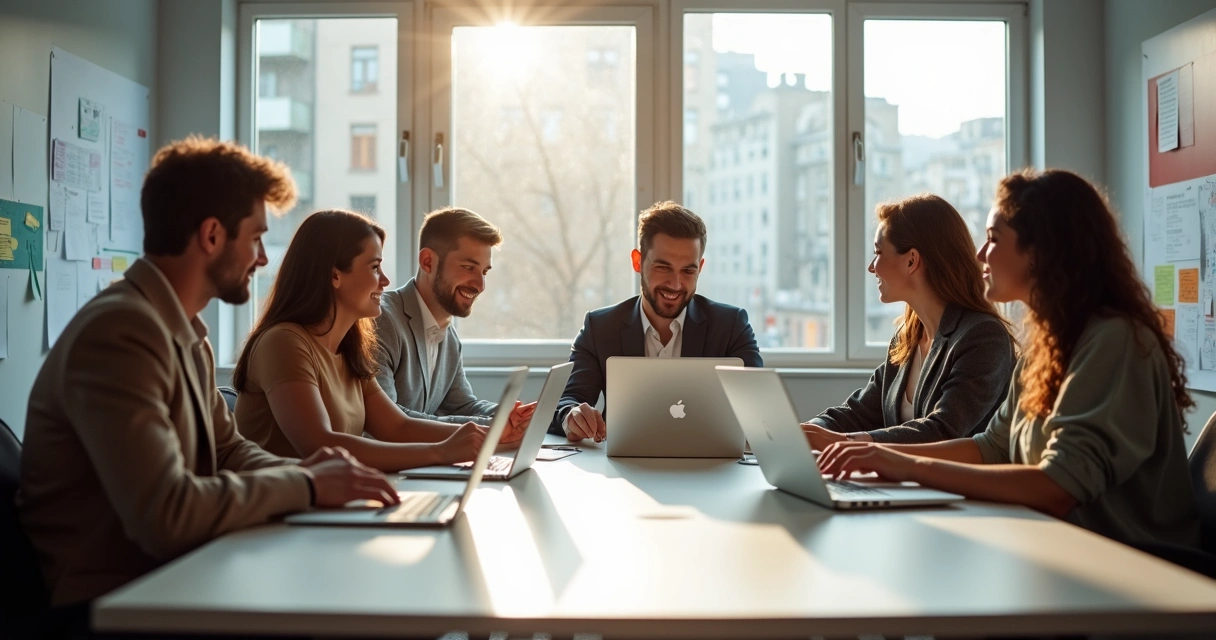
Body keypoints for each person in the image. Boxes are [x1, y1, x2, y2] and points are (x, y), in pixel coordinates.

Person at [17, 137, 398, 609]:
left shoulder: (182, 330)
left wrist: (320, 476)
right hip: (118, 604)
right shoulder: (120, 334)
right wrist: (308, 485)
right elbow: (166, 513)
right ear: (212, 235)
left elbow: (228, 449)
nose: (262, 259)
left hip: (180, 575)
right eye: (256, 238)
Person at [819, 169, 1201, 549]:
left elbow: (1058, 486)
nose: (981, 254)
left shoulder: (1114, 341)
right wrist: (875, 455)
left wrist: (900, 463)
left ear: (1038, 252)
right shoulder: (1045, 345)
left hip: (1137, 569)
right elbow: (992, 447)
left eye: (993, 239)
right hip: (1060, 551)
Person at [234, 210, 519, 473]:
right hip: (278, 515)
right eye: (374, 267)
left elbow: (397, 427)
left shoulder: (350, 348)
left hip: (324, 507)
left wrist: (493, 432)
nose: (385, 280)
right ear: (335, 275)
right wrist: (439, 452)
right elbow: (320, 444)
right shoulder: (284, 343)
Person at [801, 194, 1016, 449]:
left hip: (963, 488)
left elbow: (944, 429)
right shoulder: (905, 339)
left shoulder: (983, 337)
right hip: (907, 487)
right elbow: (857, 413)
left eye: (878, 252)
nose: (872, 267)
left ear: (912, 260)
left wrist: (850, 443)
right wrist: (803, 433)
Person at [551, 200, 763, 441]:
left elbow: (759, 407)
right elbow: (566, 402)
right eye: (663, 267)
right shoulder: (600, 327)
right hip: (623, 469)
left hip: (710, 469)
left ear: (700, 268)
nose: (675, 284)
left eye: (688, 271)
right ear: (637, 261)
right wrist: (572, 416)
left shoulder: (731, 326)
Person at [373, 206, 535, 430]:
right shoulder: (381, 320)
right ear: (428, 261)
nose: (480, 285)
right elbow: (389, 419)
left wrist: (510, 415)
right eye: (468, 267)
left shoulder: (448, 337)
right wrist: (492, 427)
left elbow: (461, 406)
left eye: (484, 272)